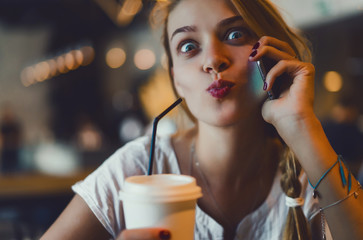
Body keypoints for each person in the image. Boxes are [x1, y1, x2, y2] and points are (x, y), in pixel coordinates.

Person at [41, 0, 363, 239]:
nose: (212, 60)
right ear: (176, 80)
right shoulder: (138, 169)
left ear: (272, 52)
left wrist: (303, 128)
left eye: (235, 34)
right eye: (189, 46)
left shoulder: (305, 181)